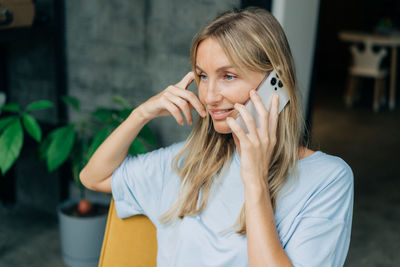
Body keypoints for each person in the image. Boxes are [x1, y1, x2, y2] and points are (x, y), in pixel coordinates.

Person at [80, 7, 353, 267]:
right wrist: (141, 113)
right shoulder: (188, 162)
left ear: (276, 85)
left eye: (228, 76)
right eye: (202, 76)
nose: (209, 96)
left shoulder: (328, 180)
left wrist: (255, 178)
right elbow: (93, 177)